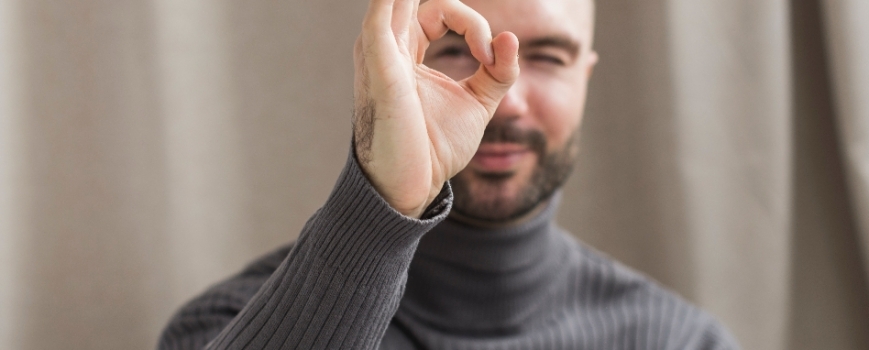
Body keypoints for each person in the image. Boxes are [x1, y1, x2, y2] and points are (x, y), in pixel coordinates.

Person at [158, 0, 739, 348]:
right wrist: (385, 198)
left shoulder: (681, 341)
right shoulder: (229, 326)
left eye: (548, 58)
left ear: (585, 77)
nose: (505, 101)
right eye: (459, 50)